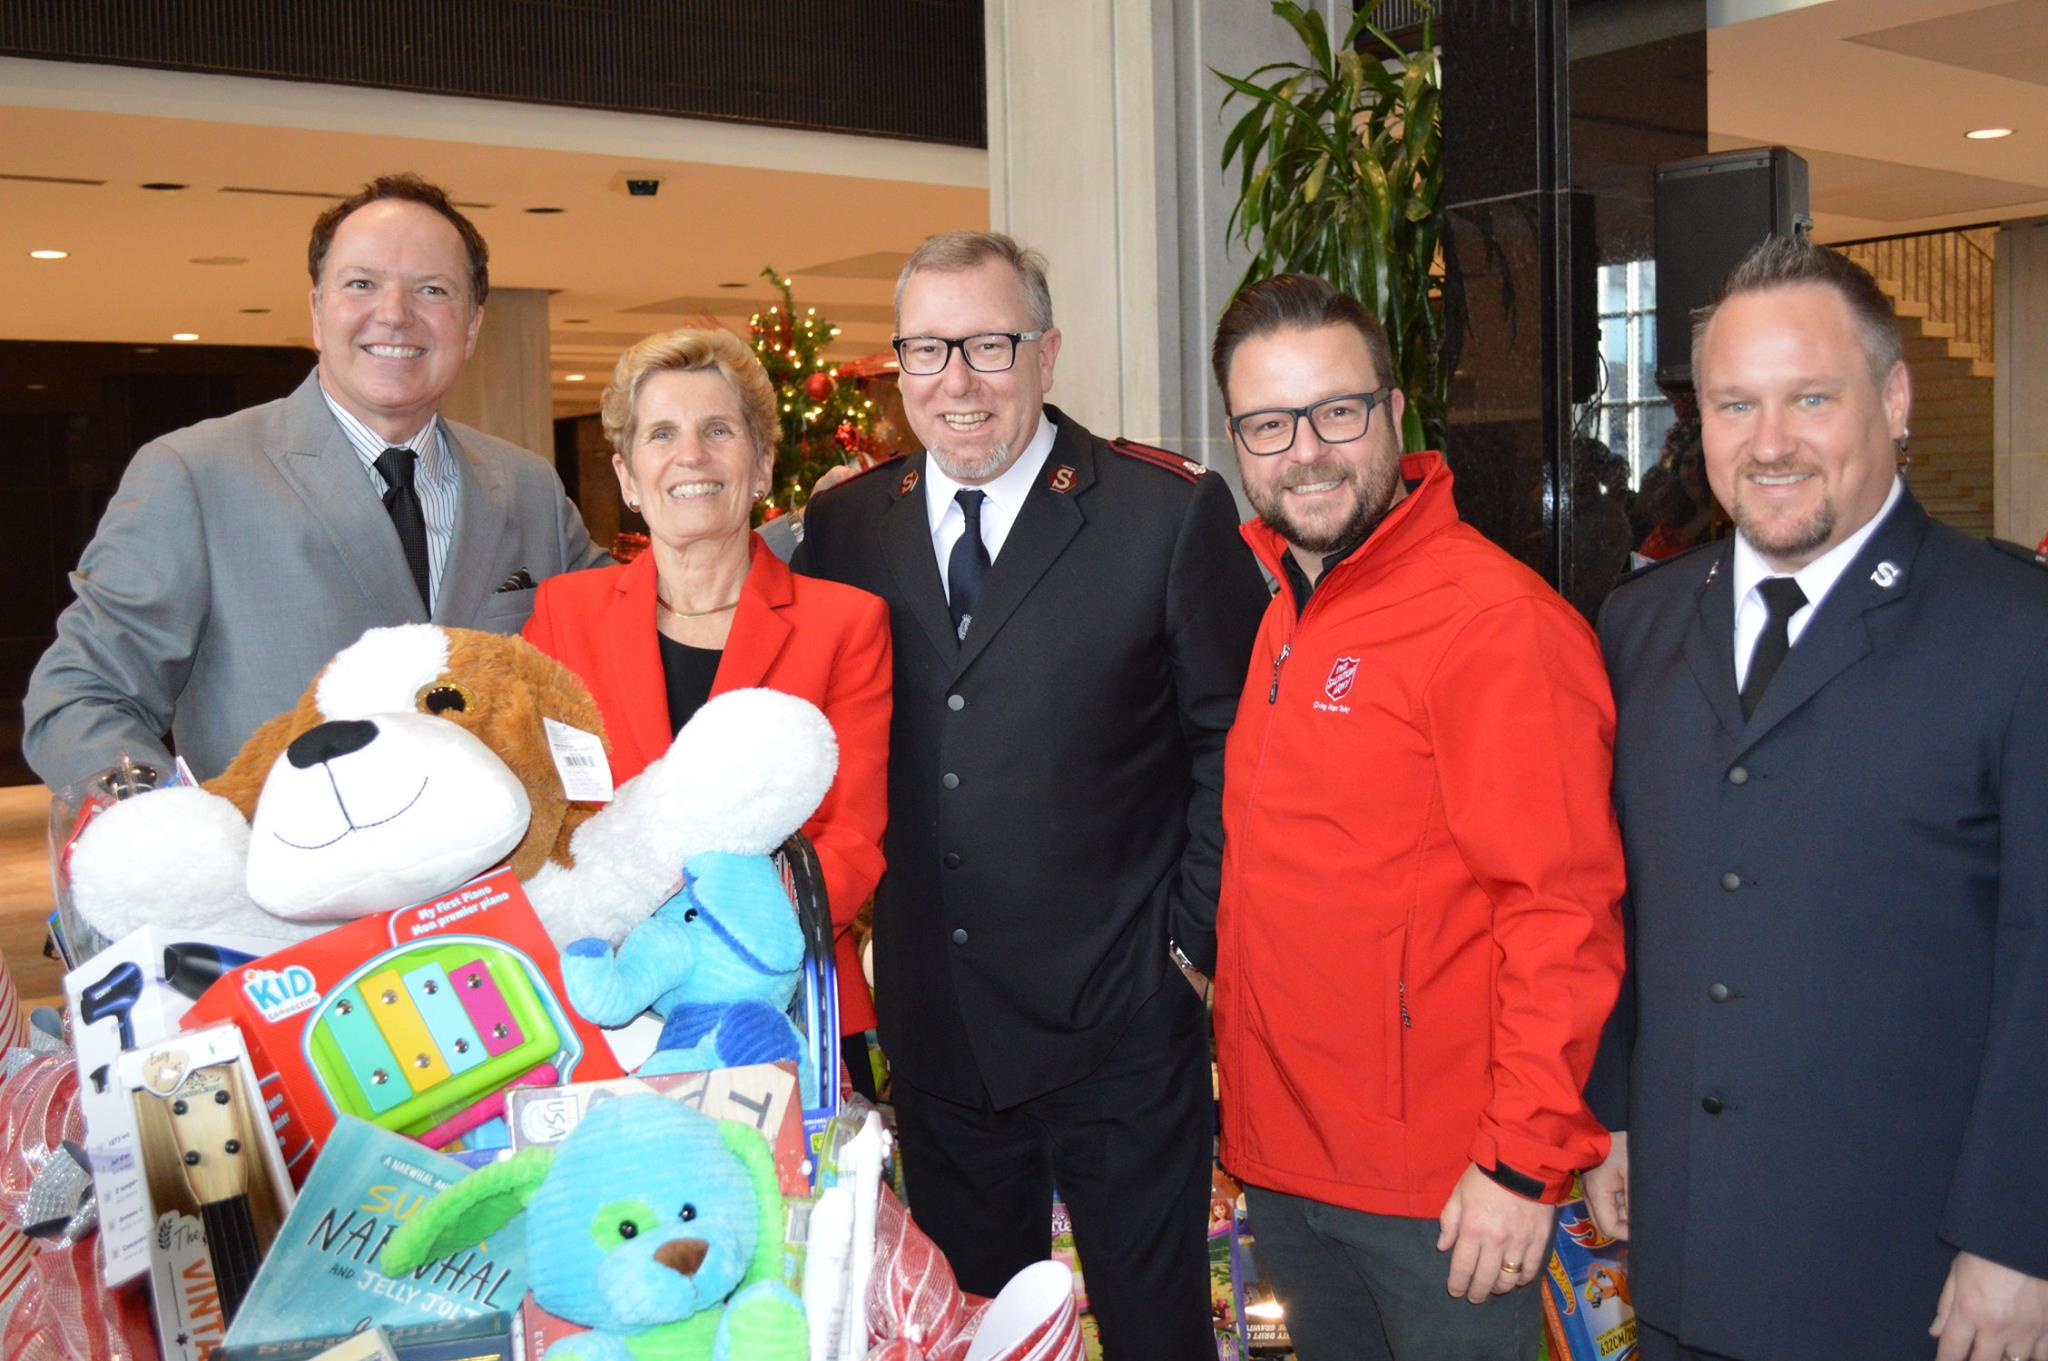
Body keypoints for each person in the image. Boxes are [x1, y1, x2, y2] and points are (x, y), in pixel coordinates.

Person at [792, 230, 1269, 1357]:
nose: (956, 381)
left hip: (1119, 1023)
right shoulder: (848, 526)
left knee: (1156, 1332)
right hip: (941, 1038)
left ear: (1046, 354)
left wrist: (1185, 953)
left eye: (989, 344)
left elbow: (1233, 746)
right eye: (925, 349)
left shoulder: (1161, 514)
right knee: (970, 1334)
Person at [1582, 237, 2048, 1361]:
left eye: (1809, 397)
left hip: (1912, 1278)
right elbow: (1621, 899)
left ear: (1891, 400)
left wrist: (2018, 1236)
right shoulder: (1638, 625)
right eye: (1734, 404)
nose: (1770, 440)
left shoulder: (2012, 632)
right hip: (1686, 1256)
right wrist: (1613, 1110)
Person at [1207, 273, 1626, 1361]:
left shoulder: (1492, 623)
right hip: (1291, 1167)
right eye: (1267, 423)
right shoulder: (1284, 611)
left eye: (1336, 411)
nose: (1305, 450)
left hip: (1444, 1195)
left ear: (1394, 416)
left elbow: (1560, 912)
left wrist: (1521, 1161)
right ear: (1236, 441)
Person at [24, 173, 604, 796]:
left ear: (470, 325)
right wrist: (176, 833)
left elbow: (625, 633)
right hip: (276, 883)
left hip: (496, 888)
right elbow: (80, 698)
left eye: (432, 290)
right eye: (361, 284)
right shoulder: (196, 474)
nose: (394, 314)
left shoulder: (527, 488)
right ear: (317, 309)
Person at [521, 328, 892, 1089]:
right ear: (628, 474)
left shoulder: (844, 623)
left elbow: (848, 839)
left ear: (760, 465)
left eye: (718, 431)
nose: (689, 455)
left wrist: (715, 952)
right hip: (600, 1010)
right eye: (661, 433)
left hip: (777, 1008)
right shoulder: (565, 614)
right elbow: (538, 814)